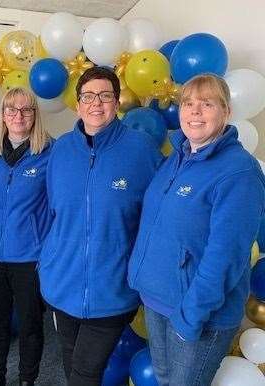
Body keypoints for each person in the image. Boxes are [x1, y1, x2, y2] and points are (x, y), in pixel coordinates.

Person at [127, 74, 265, 386]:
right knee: (164, 379)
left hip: (199, 314)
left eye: (207, 104)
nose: (195, 111)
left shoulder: (239, 172)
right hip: (158, 300)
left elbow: (225, 256)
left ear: (226, 112)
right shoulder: (177, 157)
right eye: (188, 103)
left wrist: (190, 316)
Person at [38, 66, 163, 386]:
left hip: (113, 288)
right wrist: (48, 262)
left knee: (85, 373)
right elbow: (53, 211)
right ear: (78, 104)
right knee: (70, 358)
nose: (97, 103)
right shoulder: (62, 149)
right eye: (88, 96)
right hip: (61, 282)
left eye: (105, 95)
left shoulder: (141, 150)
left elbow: (156, 220)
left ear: (117, 100)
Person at [0, 87, 53, 386]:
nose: (18, 116)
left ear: (35, 115)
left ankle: (27, 380)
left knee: (31, 323)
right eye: (11, 110)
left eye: (26, 110)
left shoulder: (50, 152)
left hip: (29, 256)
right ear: (3, 115)